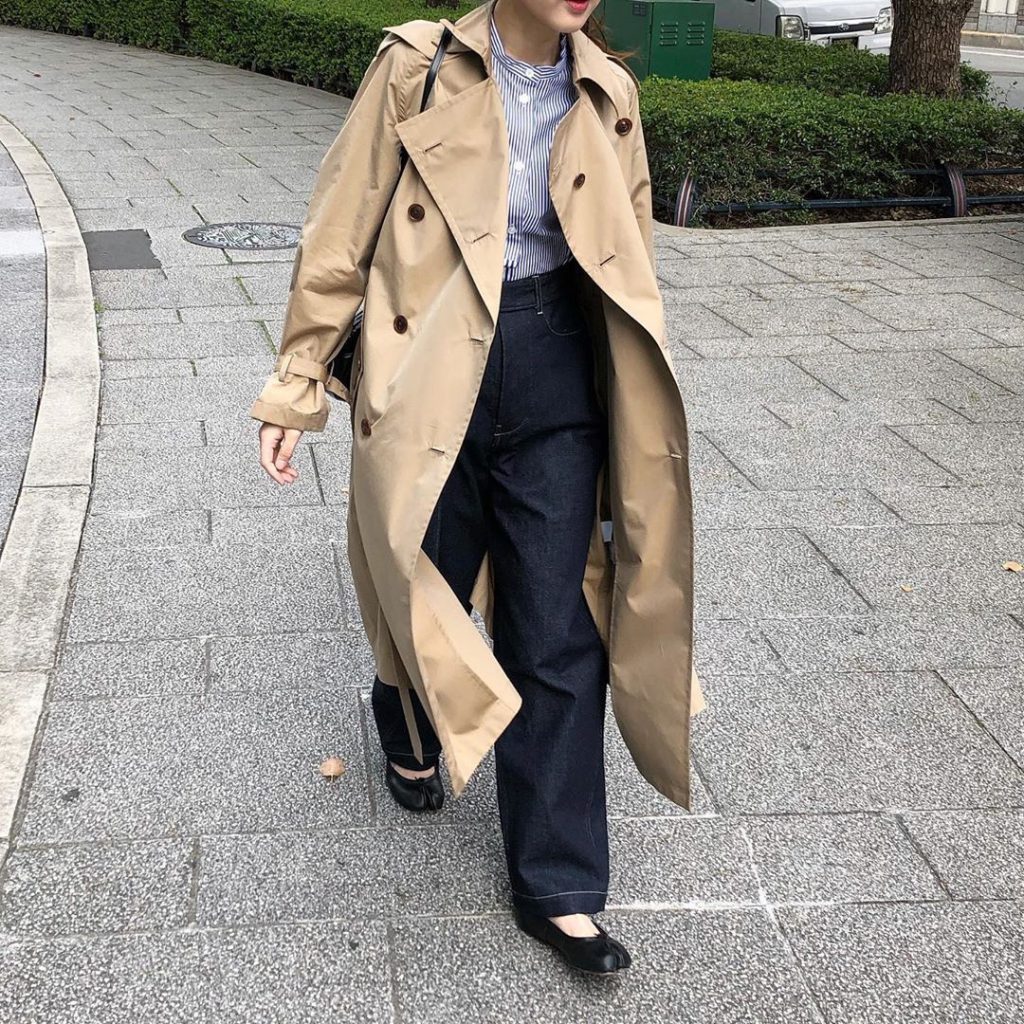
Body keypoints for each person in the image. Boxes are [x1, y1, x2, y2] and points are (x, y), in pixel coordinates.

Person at [251, 0, 704, 976]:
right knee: (424, 578)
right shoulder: (417, 66)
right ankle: (403, 710)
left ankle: (560, 885)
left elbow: (631, 261)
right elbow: (340, 226)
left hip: (558, 367)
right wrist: (297, 381)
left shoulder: (608, 95)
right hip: (431, 358)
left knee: (557, 620)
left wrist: (634, 395)